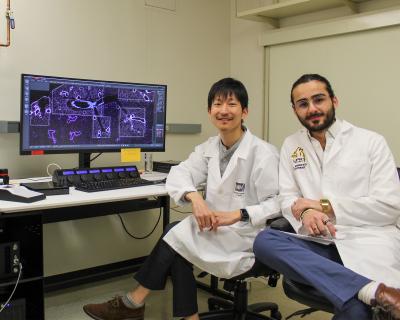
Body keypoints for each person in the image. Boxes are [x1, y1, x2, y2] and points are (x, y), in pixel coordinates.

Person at [83, 77, 280, 320]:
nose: (224, 111)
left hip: (247, 239)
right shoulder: (210, 148)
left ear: (245, 111)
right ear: (210, 111)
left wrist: (239, 214)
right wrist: (195, 198)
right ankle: (160, 311)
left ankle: (133, 303)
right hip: (216, 231)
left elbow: (278, 204)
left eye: (232, 104)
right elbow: (179, 173)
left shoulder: (263, 154)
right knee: (177, 236)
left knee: (176, 236)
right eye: (218, 104)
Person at [253, 73, 400, 320]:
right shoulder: (292, 145)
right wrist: (307, 212)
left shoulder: (370, 142)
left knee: (355, 311)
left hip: (369, 241)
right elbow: (287, 197)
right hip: (323, 244)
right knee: (264, 241)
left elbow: (389, 207)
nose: (312, 109)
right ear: (295, 110)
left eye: (319, 99)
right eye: (303, 104)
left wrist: (323, 206)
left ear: (334, 100)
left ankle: (364, 293)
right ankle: (370, 290)